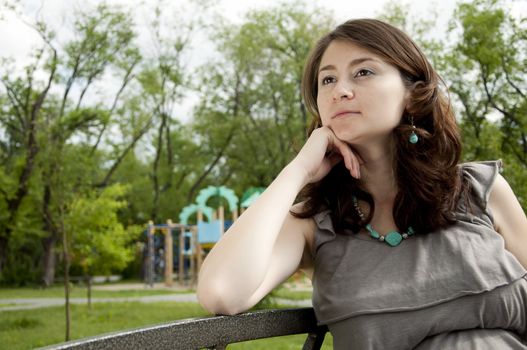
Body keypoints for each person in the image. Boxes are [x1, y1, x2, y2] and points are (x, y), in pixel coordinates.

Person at [197, 18, 527, 349]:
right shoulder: (312, 224)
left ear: (412, 95)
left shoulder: (480, 190)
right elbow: (223, 293)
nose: (340, 90)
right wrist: (297, 171)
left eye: (363, 72)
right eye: (327, 80)